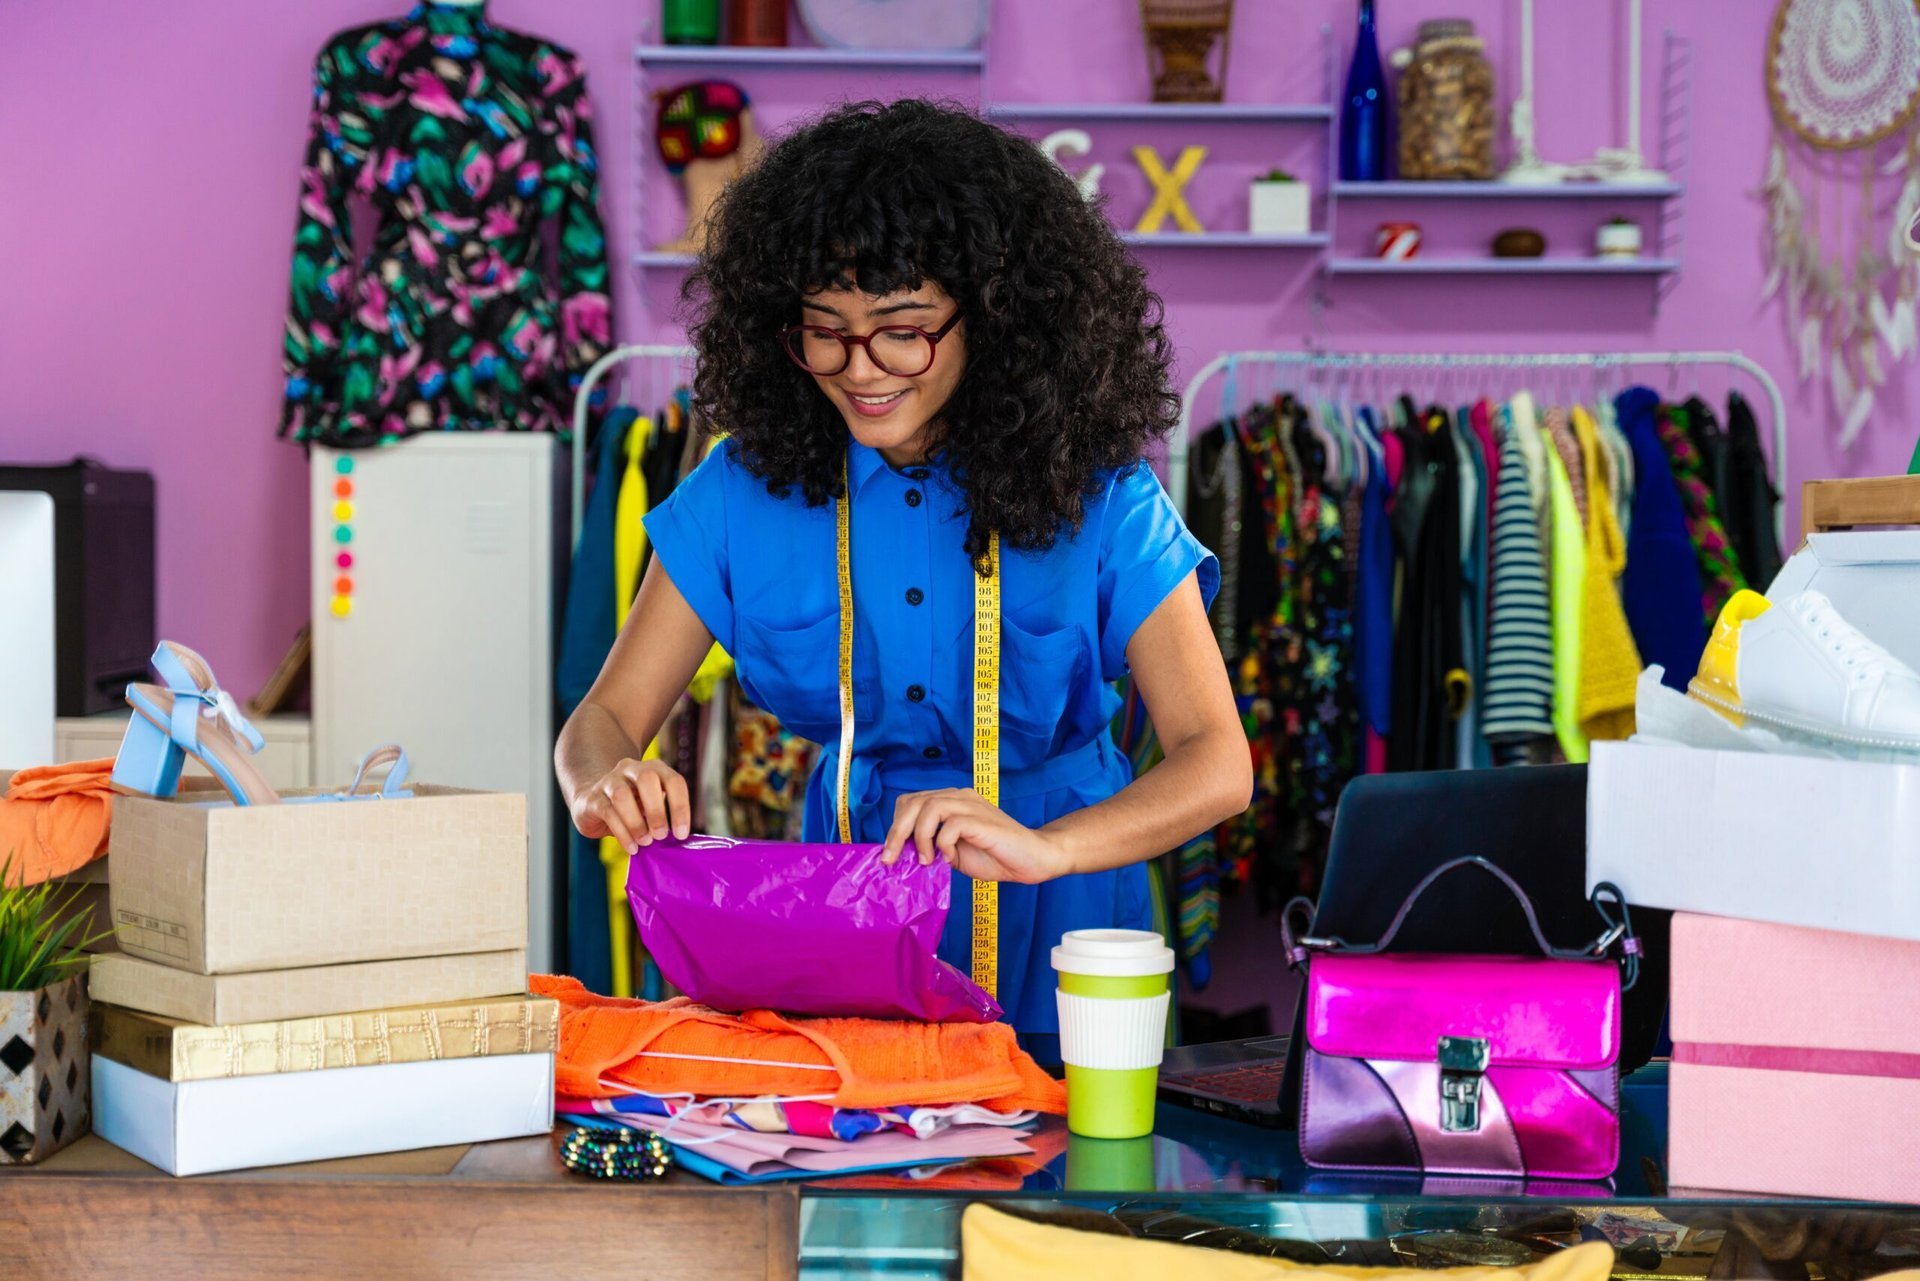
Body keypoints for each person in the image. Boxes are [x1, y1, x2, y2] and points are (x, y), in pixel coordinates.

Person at [555, 100, 1251, 1030]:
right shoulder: (739, 491)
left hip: (1063, 914)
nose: (861, 367)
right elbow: (599, 720)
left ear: (995, 317)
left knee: (1059, 1175)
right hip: (845, 912)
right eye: (824, 329)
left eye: (903, 328)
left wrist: (1048, 848)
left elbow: (1217, 761)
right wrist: (605, 780)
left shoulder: (1103, 494)